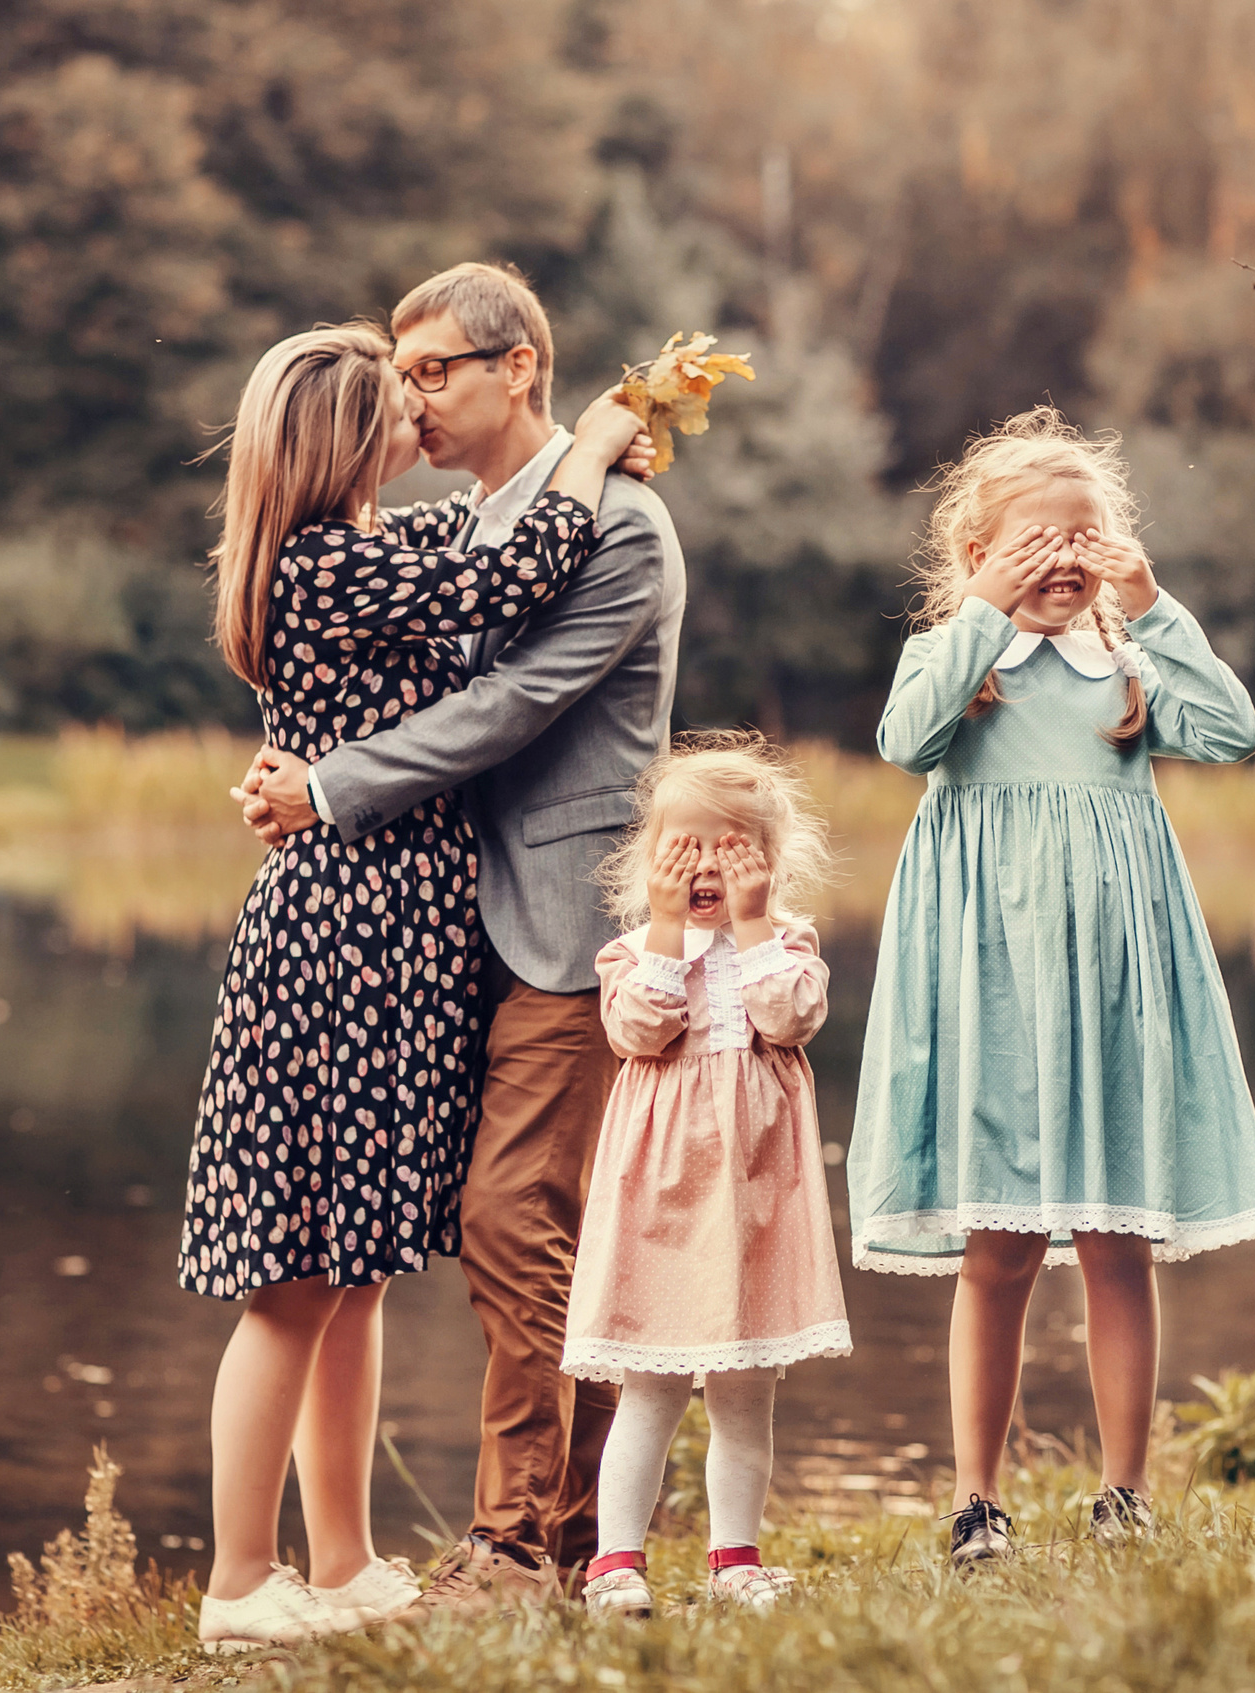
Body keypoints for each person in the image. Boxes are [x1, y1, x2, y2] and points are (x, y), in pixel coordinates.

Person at [182, 320, 652, 1651]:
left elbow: (478, 550)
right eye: (394, 397)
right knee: (295, 1278)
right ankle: (237, 1583)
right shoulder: (325, 567)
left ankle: (340, 1562)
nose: (415, 409)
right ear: (344, 435)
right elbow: (515, 576)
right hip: (345, 939)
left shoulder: (374, 551)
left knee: (360, 1267)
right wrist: (596, 448)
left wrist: (559, 457)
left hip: (397, 936)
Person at [844, 405, 1255, 1568]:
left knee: (1112, 1240)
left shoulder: (1128, 666)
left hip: (1108, 984)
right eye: (1029, 545)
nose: (1059, 563)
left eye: (1080, 540)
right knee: (996, 1247)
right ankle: (976, 1500)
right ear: (976, 556)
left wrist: (1148, 603)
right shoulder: (958, 667)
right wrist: (985, 609)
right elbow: (901, 739)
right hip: (990, 984)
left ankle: (1123, 1492)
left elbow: (1233, 736)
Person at [560, 735, 849, 1619]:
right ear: (652, 860)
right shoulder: (630, 955)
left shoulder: (788, 947)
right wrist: (663, 927)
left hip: (758, 1198)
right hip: (663, 1199)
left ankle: (735, 1558)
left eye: (732, 849)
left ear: (767, 861)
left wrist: (756, 924)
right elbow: (639, 1032)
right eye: (686, 847)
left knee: (745, 1388)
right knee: (647, 1384)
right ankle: (616, 1560)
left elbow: (788, 1019)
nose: (708, 868)